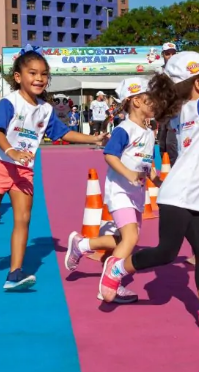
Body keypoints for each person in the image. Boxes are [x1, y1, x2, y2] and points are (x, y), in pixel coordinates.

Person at [97, 51, 199, 329]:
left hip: (192, 196)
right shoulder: (198, 108)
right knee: (166, 252)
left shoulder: (185, 110)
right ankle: (118, 267)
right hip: (179, 196)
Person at [0, 50, 107, 291]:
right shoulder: (10, 102)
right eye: (33, 73)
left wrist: (94, 139)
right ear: (18, 77)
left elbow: (62, 133)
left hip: (24, 170)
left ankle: (14, 273)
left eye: (44, 74)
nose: (39, 78)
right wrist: (11, 152)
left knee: (23, 219)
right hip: (0, 164)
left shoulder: (46, 109)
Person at [64, 76, 158, 304]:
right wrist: (129, 174)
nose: (155, 104)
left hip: (136, 195)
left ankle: (82, 244)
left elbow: (148, 165)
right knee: (131, 237)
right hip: (120, 191)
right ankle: (109, 286)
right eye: (150, 100)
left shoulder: (148, 132)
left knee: (125, 239)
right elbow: (109, 155)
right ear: (136, 101)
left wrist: (161, 183)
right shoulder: (124, 129)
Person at [156, 42, 179, 163]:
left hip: (175, 111)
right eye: (167, 54)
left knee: (172, 144)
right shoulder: (158, 71)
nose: (170, 56)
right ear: (162, 55)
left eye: (173, 54)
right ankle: (166, 170)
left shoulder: (180, 71)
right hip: (162, 111)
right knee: (162, 145)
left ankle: (175, 171)